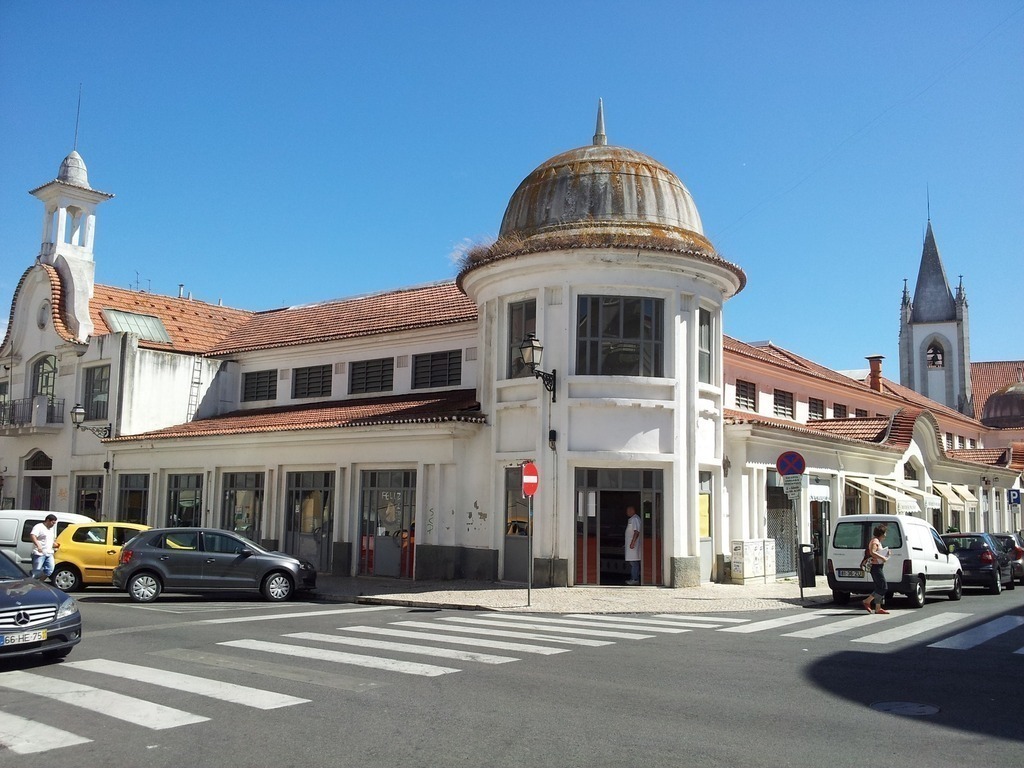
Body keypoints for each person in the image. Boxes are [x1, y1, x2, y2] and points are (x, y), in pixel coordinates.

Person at [862, 523, 890, 615]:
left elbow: (877, 552)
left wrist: (886, 554)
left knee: (879, 587)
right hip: (875, 567)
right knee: (883, 587)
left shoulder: (877, 541)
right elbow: (872, 552)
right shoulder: (875, 541)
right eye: (885, 533)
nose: (886, 535)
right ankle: (867, 601)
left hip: (878, 566)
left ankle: (878, 608)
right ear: (881, 533)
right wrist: (883, 558)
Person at [30, 514, 61, 581]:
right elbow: (33, 536)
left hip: (49, 553)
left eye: (54, 523)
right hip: (39, 553)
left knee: (50, 570)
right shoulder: (39, 527)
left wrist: (55, 545)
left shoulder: (51, 529)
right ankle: (33, 584)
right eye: (52, 522)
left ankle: (39, 583)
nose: (53, 524)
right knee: (37, 571)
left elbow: (49, 540)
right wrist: (38, 545)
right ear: (47, 520)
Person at [624, 505, 641, 586]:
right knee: (633, 562)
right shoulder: (632, 519)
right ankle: (633, 578)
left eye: (628, 510)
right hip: (631, 545)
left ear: (632, 510)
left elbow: (636, 532)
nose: (627, 512)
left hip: (634, 546)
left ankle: (635, 579)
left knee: (634, 562)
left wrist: (633, 542)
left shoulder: (635, 519)